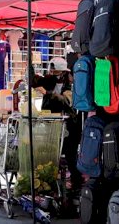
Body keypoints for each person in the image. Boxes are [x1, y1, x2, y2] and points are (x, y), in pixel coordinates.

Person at [32, 57, 83, 193]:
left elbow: (66, 101)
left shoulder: (71, 84)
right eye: (52, 71)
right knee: (49, 155)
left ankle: (76, 182)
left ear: (62, 72)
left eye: (55, 72)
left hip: (69, 127)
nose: (53, 74)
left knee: (71, 156)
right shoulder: (49, 80)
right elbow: (34, 81)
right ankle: (48, 182)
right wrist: (30, 67)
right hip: (51, 124)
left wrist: (47, 94)